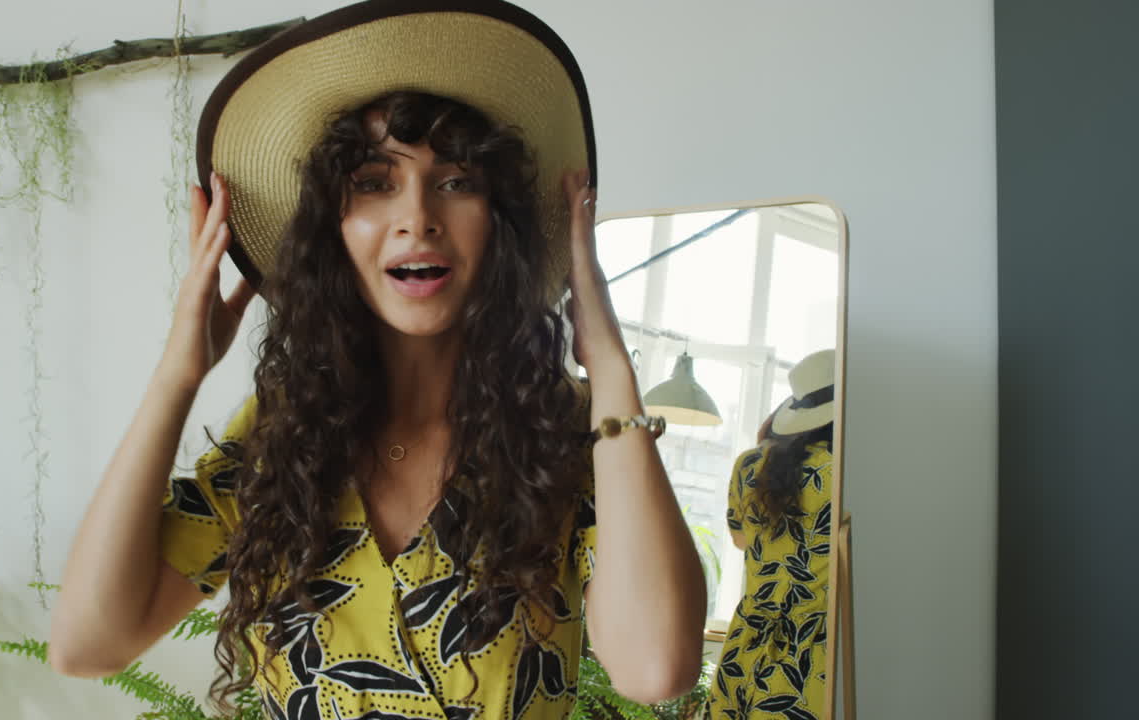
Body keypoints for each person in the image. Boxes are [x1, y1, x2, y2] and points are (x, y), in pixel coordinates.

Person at [48, 3, 707, 720]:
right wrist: (177, 377)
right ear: (333, 226)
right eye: (374, 181)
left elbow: (654, 667)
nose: (417, 215)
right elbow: (86, 644)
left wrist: (609, 366)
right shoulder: (283, 438)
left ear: (501, 225)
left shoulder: (567, 433)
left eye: (457, 182)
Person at [706, 349, 836, 720]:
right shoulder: (846, 471)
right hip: (815, 647)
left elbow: (741, 540)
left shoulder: (750, 465)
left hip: (749, 640)